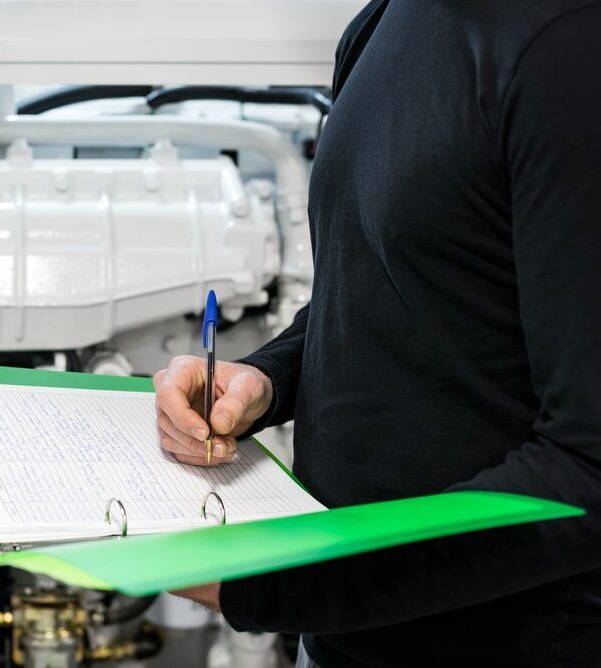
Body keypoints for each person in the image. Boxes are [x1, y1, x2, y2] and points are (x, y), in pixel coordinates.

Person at [153, 1, 601, 665]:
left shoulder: (568, 50)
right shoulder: (386, 20)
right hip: (346, 635)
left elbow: (588, 469)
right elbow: (389, 288)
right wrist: (267, 378)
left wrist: (272, 584)